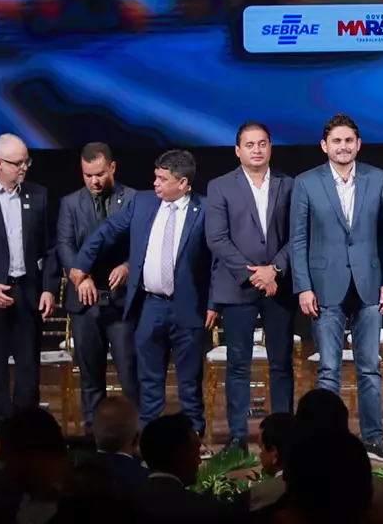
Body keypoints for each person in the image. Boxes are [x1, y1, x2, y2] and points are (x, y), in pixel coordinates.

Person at [72, 149, 217, 431]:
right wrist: (81, 263)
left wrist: (213, 304)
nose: (155, 183)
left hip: (189, 308)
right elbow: (108, 230)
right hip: (150, 307)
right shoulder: (143, 202)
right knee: (148, 382)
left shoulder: (206, 209)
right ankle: (147, 439)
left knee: (189, 383)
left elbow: (217, 262)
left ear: (183, 183)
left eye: (162, 179)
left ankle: (194, 438)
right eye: (155, 177)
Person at [289, 113, 383, 462]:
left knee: (370, 368)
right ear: (324, 146)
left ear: (358, 144)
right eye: (336, 141)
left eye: (348, 140)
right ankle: (327, 442)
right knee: (328, 370)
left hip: (369, 286)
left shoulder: (379, 179)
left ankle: (373, 438)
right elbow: (298, 240)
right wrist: (303, 287)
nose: (343, 146)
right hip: (324, 287)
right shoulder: (306, 182)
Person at [206, 121, 296, 457]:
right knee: (238, 364)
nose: (256, 150)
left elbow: (298, 235)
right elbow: (217, 238)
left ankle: (283, 434)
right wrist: (254, 275)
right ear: (237, 150)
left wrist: (274, 270)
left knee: (281, 363)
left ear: (270, 147)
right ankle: (237, 438)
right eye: (249, 144)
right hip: (237, 286)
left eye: (262, 144)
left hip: (278, 285)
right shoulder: (220, 186)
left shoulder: (289, 184)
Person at [0, 132, 57, 422]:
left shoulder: (39, 194)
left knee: (28, 370)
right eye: (18, 163)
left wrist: (49, 288)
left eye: (26, 161)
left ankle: (26, 428)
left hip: (28, 292)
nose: (24, 167)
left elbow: (50, 246)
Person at [56, 142, 139, 428]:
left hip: (122, 302)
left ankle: (136, 435)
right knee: (90, 377)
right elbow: (64, 245)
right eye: (88, 175)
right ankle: (94, 436)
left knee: (130, 375)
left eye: (100, 174)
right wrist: (81, 277)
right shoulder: (69, 203)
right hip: (85, 303)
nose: (94, 181)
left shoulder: (134, 199)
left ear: (112, 168)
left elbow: (143, 242)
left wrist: (128, 266)